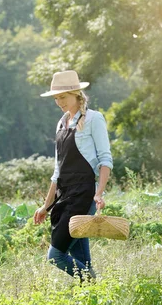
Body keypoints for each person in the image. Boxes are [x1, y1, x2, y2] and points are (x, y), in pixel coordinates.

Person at [33, 70, 113, 282]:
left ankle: (95, 286)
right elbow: (57, 172)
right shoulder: (61, 123)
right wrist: (46, 206)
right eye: (56, 98)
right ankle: (94, 298)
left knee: (56, 256)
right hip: (64, 197)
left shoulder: (94, 119)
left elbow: (105, 160)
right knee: (81, 259)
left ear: (76, 94)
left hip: (84, 195)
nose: (59, 102)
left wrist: (99, 193)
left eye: (63, 97)